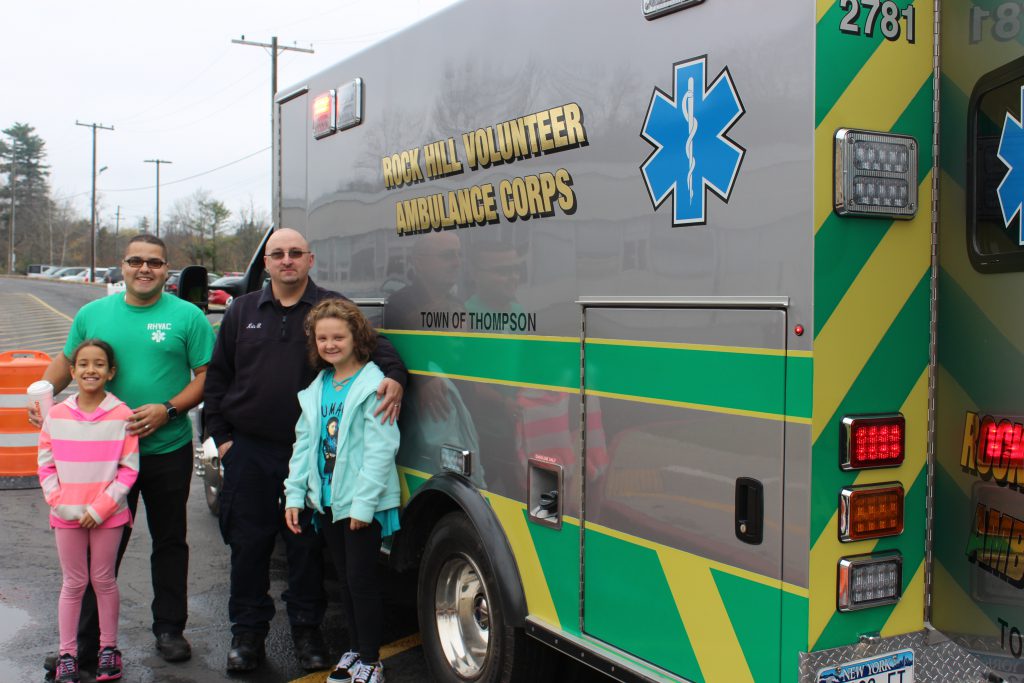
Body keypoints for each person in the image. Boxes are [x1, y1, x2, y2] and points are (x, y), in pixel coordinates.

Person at [203, 228, 407, 672]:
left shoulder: (330, 307)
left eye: (296, 253)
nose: (287, 260)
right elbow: (218, 378)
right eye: (278, 254)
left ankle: (307, 634)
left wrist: (395, 378)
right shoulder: (241, 311)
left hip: (309, 453)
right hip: (249, 452)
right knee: (249, 547)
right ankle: (247, 636)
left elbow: (377, 347)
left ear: (310, 259)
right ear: (268, 263)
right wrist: (223, 441)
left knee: (306, 552)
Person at [32, 234, 214, 672]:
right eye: (136, 261)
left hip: (166, 446)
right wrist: (41, 395)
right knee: (98, 550)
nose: (144, 269)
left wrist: (169, 409)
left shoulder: (187, 317)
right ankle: (85, 643)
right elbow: (66, 362)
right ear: (123, 266)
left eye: (154, 262)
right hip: (103, 458)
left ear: (166, 269)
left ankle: (169, 629)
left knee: (170, 541)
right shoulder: (93, 314)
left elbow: (208, 375)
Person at [285, 299, 401, 683]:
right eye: (322, 338)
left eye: (338, 336)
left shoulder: (373, 385)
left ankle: (371, 661)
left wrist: (365, 505)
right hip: (329, 503)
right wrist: (295, 495)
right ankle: (355, 649)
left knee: (362, 582)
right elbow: (304, 445)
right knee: (346, 582)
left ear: (357, 339)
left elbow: (381, 449)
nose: (330, 344)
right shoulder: (318, 387)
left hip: (360, 504)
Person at [39, 340, 139, 683]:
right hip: (65, 514)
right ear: (72, 372)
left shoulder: (122, 414)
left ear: (110, 372)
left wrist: (101, 508)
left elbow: (128, 468)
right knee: (74, 583)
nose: (90, 370)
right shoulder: (57, 415)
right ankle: (68, 654)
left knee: (103, 581)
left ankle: (108, 650)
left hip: (108, 515)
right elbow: (46, 465)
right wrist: (58, 501)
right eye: (83, 364)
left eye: (99, 364)